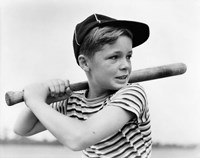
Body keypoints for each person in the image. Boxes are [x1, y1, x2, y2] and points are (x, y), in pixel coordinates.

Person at [14, 13, 152, 158]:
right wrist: (44, 100)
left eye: (128, 56)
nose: (125, 65)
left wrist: (35, 101)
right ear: (85, 63)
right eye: (114, 57)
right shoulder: (73, 102)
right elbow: (23, 129)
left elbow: (78, 139)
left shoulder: (132, 93)